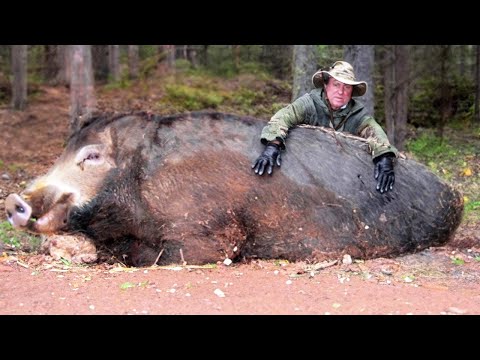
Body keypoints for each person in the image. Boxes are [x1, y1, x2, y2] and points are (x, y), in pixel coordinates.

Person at [251, 60, 398, 193]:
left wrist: (384, 156)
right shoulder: (309, 103)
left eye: (346, 87)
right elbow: (283, 117)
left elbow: (375, 131)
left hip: (338, 176)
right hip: (303, 168)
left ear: (352, 92)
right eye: (336, 84)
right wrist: (273, 145)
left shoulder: (357, 114)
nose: (340, 92)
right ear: (326, 85)